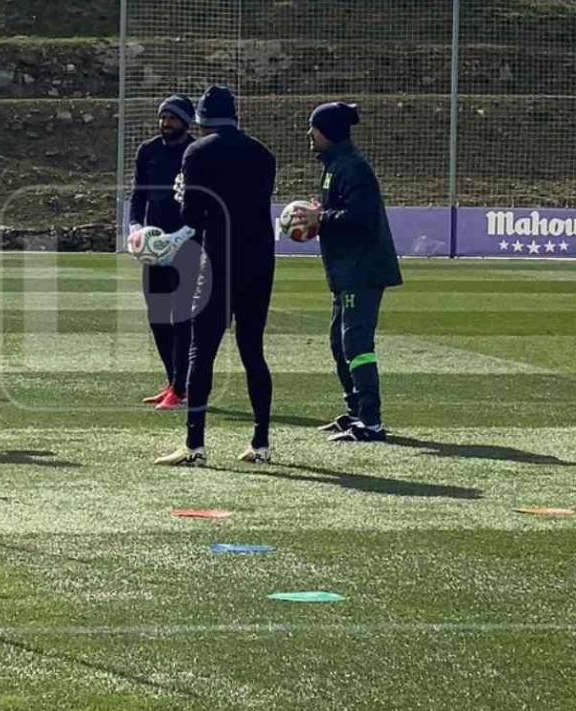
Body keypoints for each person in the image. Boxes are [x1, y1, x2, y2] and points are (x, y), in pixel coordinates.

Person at [153, 85, 276, 467]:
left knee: (200, 350)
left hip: (219, 258)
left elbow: (193, 217)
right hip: (260, 259)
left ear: (202, 120)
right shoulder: (263, 154)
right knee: (252, 350)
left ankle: (195, 445)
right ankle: (261, 442)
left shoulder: (197, 151)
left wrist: (180, 196)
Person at [306, 102, 402, 442]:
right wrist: (324, 214)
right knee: (339, 343)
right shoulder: (336, 165)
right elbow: (344, 212)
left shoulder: (353, 167)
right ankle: (356, 413)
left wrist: (322, 219)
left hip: (362, 270)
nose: (310, 135)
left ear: (328, 132)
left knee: (356, 343)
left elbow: (360, 218)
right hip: (346, 271)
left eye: (314, 129)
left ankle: (371, 422)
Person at [128, 94, 199, 411]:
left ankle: (181, 389)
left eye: (172, 118)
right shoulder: (148, 151)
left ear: (185, 121)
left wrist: (184, 233)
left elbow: (202, 203)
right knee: (157, 316)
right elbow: (137, 195)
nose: (165, 123)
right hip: (154, 248)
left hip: (186, 245)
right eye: (163, 117)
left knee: (182, 317)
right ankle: (173, 382)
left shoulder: (196, 153)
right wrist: (133, 227)